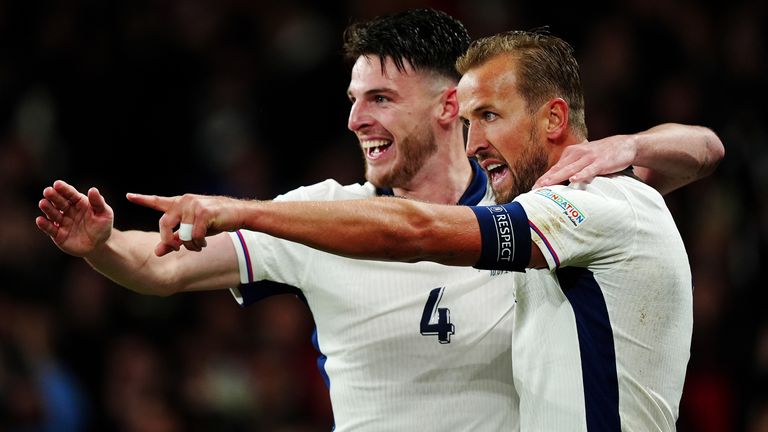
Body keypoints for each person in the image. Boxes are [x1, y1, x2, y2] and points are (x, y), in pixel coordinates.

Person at [36, 10, 722, 430]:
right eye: (353, 97)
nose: (356, 118)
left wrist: (634, 144)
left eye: (382, 98)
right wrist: (101, 247)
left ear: (449, 107)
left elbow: (702, 150)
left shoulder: (531, 210)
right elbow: (163, 266)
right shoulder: (317, 215)